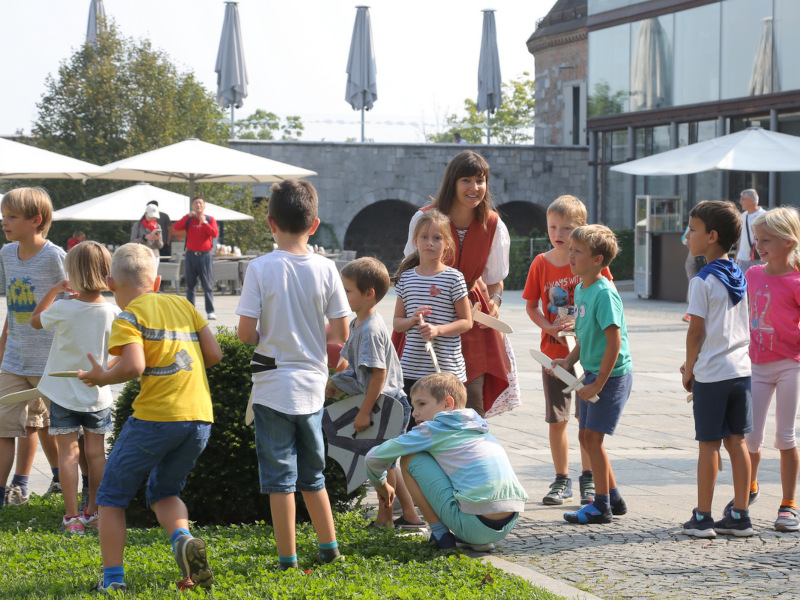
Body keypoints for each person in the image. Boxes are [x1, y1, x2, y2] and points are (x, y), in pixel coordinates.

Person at [77, 242, 222, 592]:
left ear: (110, 283)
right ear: (156, 282)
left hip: (156, 419)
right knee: (164, 491)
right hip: (199, 419)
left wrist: (102, 377)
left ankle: (113, 582)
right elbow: (214, 354)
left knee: (110, 497)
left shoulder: (129, 316)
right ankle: (183, 538)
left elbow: (134, 366)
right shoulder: (185, 305)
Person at [236, 180, 350, 571]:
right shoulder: (326, 267)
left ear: (270, 222)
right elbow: (341, 333)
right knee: (312, 475)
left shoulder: (260, 267)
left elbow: (245, 334)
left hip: (271, 387)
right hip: (312, 387)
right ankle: (330, 548)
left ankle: (288, 560)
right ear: (314, 224)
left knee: (279, 479)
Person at [365, 372, 527, 551]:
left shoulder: (432, 429)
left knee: (410, 458)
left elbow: (373, 457)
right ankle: (472, 539)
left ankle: (440, 534)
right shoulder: (478, 427)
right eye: (413, 406)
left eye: (421, 404)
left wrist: (380, 484)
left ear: (447, 404)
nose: (415, 413)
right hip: (507, 524)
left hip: (475, 524)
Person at [402, 150, 510, 416]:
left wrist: (495, 301)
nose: (474, 188)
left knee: (469, 403)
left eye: (480, 180)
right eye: (466, 180)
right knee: (418, 401)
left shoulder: (494, 224)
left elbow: (496, 280)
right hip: (427, 312)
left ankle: (466, 455)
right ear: (452, 182)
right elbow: (408, 267)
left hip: (470, 318)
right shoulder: (424, 218)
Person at [522, 195, 614, 507]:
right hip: (553, 353)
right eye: (553, 227)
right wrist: (547, 328)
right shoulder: (541, 263)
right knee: (557, 418)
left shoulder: (593, 263)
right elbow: (532, 306)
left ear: (582, 228)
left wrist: (583, 323)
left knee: (585, 420)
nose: (559, 233)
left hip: (587, 355)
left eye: (567, 227)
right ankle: (561, 478)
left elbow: (607, 299)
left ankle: (588, 477)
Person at [326, 257, 423, 530]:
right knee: (388, 462)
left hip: (387, 406)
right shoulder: (359, 322)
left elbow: (378, 374)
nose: (343, 296)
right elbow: (347, 360)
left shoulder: (370, 329)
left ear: (369, 294)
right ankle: (411, 515)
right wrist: (336, 381)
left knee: (382, 463)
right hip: (382, 404)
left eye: (348, 291)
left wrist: (365, 411)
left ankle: (384, 519)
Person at [29, 241, 120, 534]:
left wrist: (54, 290)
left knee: (67, 454)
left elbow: (34, 322)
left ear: (72, 274)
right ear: (108, 273)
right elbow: (119, 352)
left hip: (64, 392)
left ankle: (72, 517)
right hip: (98, 394)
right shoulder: (114, 312)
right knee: (96, 455)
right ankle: (94, 511)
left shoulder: (63, 308)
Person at [550, 225, 632, 525]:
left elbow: (614, 342)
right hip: (593, 373)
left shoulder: (604, 293)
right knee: (587, 437)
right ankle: (614, 498)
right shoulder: (583, 288)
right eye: (570, 249)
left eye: (577, 251)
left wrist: (598, 381)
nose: (570, 255)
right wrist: (569, 359)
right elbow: (585, 337)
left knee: (591, 439)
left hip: (610, 377)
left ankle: (601, 506)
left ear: (597, 259)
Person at [681, 200, 753, 538]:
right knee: (736, 442)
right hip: (741, 371)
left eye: (692, 230)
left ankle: (703, 517)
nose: (687, 235)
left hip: (712, 373)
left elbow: (696, 332)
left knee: (708, 444)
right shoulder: (739, 274)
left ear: (711, 236)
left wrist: (688, 368)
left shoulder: (702, 281)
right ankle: (740, 515)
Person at [0, 187, 65, 508]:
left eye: (11, 216)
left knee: (64, 430)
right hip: (14, 361)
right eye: (3, 215)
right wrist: (2, 351)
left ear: (36, 220)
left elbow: (77, 303)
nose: (3, 221)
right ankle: (3, 496)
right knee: (4, 427)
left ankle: (81, 494)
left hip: (51, 363)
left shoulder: (55, 257)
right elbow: (13, 310)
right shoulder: (6, 254)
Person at [742, 207, 800, 532]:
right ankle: (747, 488)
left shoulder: (796, 280)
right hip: (757, 365)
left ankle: (789, 505)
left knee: (785, 437)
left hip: (790, 366)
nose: (759, 245)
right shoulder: (752, 275)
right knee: (750, 438)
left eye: (766, 240)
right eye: (757, 239)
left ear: (789, 242)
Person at [393, 209, 473, 401]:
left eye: (437, 238)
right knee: (414, 424)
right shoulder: (405, 278)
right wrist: (412, 320)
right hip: (411, 369)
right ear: (415, 241)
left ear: (447, 244)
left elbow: (466, 322)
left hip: (446, 370)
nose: (430, 242)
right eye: (424, 237)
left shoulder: (454, 278)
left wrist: (437, 330)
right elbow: (397, 323)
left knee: (444, 426)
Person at [173, 196, 218, 320]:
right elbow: (176, 227)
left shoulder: (210, 219)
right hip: (191, 255)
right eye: (196, 203)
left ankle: (210, 311)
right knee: (190, 285)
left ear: (204, 206)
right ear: (192, 205)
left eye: (200, 203)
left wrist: (205, 223)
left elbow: (214, 234)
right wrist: (187, 216)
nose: (198, 205)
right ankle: (190, 310)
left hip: (205, 256)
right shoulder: (189, 219)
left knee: (207, 284)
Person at [735, 189, 765, 274]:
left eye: (743, 199)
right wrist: (736, 256)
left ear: (751, 200)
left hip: (759, 258)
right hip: (743, 258)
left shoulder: (764, 216)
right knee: (742, 285)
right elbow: (741, 238)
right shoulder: (742, 216)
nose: (740, 202)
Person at [681, 224, 707, 323]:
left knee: (693, 282)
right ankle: (691, 312)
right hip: (700, 257)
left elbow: (684, 240)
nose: (688, 235)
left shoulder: (696, 220)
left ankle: (691, 312)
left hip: (697, 256)